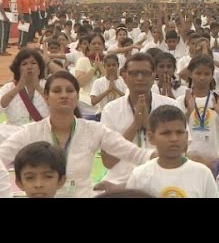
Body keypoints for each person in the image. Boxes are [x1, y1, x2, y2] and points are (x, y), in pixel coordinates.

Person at [0, 71, 155, 198]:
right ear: (46, 97)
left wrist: (170, 157)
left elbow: (136, 154)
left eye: (69, 90)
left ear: (77, 96)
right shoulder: (31, 132)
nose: (64, 95)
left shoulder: (93, 130)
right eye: (57, 91)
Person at [97, 53, 180, 191]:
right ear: (124, 76)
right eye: (134, 73)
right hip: (120, 181)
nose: (140, 78)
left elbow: (179, 153)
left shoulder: (170, 105)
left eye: (145, 73)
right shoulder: (111, 110)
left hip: (162, 179)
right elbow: (108, 162)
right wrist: (135, 125)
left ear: (154, 75)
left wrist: (148, 124)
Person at [126, 105, 219, 198]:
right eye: (166, 133)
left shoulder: (203, 173)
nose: (174, 139)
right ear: (151, 138)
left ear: (186, 136)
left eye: (179, 132)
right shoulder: (139, 176)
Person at [0, 48, 49, 142]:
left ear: (39, 69)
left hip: (42, 132)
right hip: (14, 133)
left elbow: (56, 107)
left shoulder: (48, 85)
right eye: (24, 64)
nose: (29, 67)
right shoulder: (9, 88)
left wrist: (38, 87)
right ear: (18, 70)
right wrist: (17, 88)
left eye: (33, 63)